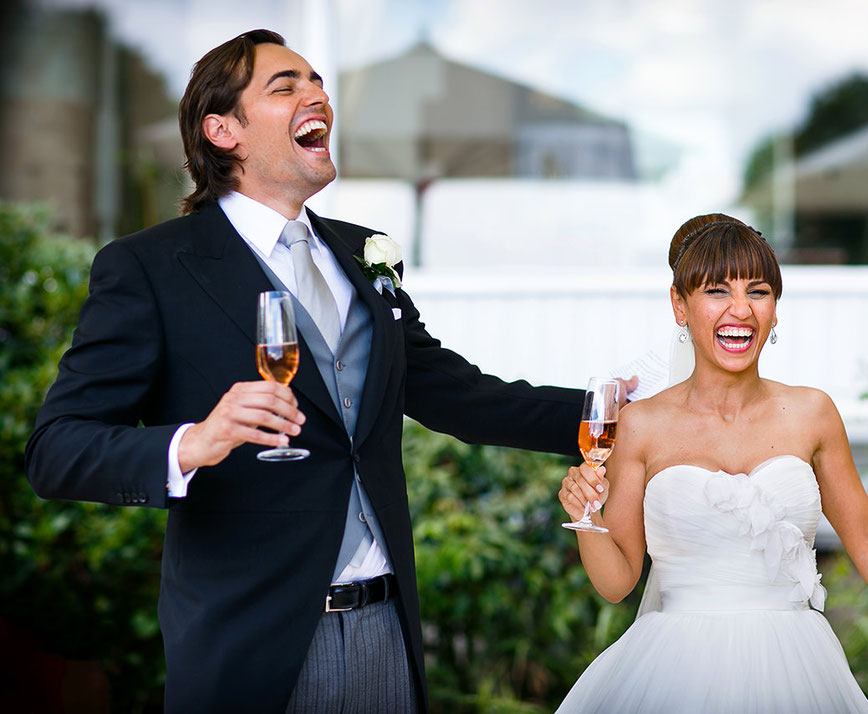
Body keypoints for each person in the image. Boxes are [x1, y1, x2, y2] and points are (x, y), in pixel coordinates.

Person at [24, 29, 606, 713]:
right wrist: (195, 441)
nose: (317, 95)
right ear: (222, 130)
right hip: (253, 647)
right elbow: (57, 450)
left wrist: (622, 413)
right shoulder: (150, 268)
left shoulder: (362, 254)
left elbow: (460, 397)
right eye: (286, 85)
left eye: (318, 81)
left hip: (386, 628)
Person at [555, 214, 868, 713]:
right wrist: (586, 517)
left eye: (757, 292)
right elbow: (617, 582)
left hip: (798, 665)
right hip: (674, 669)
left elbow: (867, 539)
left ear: (775, 310)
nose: (741, 310)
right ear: (679, 306)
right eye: (716, 291)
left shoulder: (813, 412)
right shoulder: (641, 424)